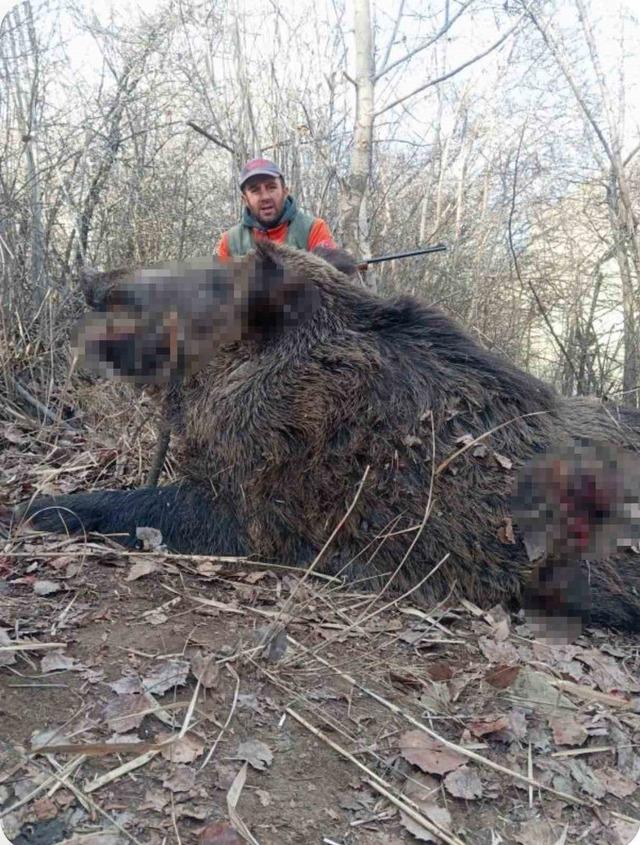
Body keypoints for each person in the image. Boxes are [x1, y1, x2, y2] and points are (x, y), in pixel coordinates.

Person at [216, 158, 336, 257]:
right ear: (245, 200)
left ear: (285, 191)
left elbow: (333, 275)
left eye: (271, 187)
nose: (265, 197)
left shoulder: (313, 229)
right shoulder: (229, 242)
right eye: (255, 190)